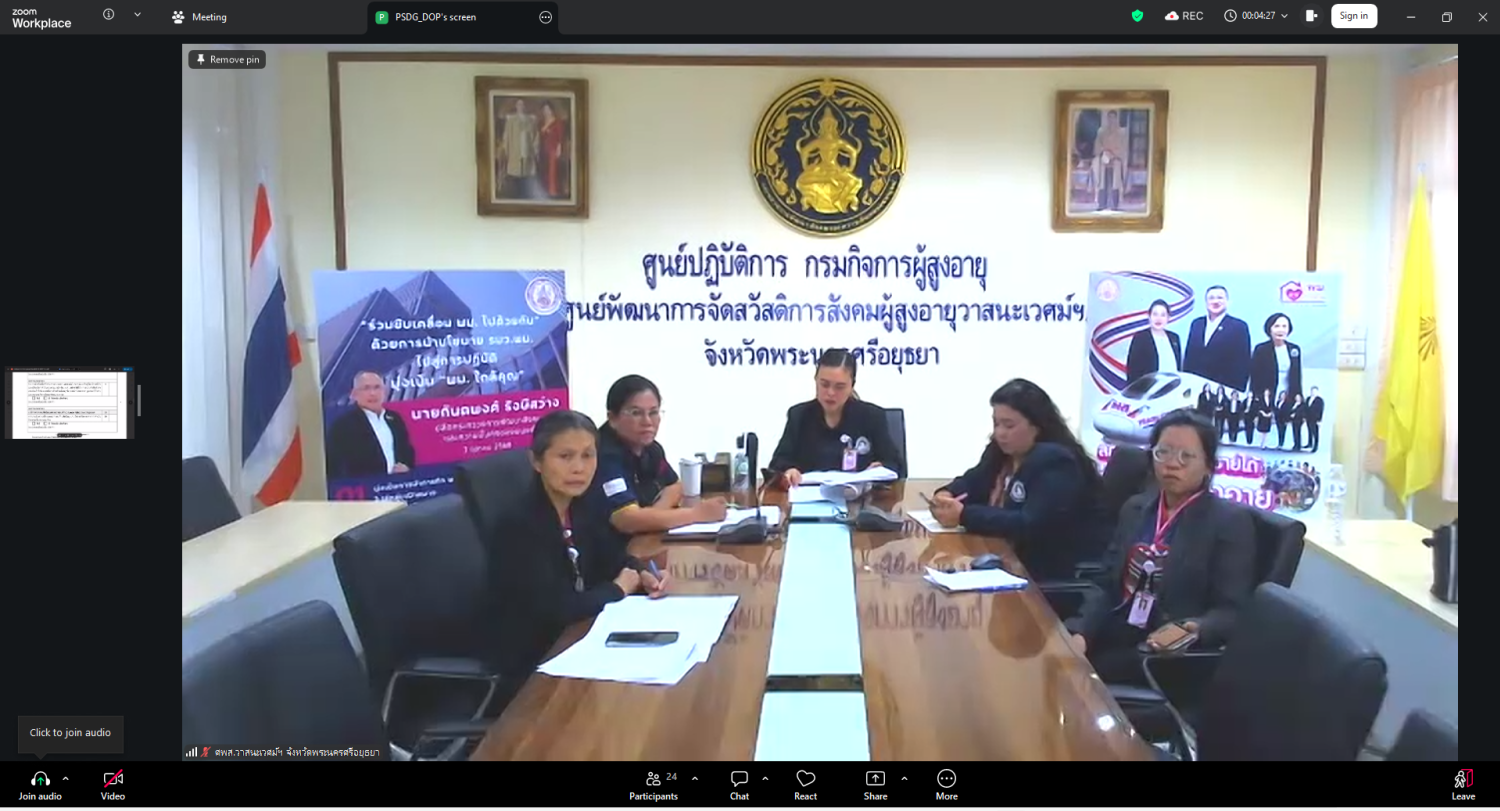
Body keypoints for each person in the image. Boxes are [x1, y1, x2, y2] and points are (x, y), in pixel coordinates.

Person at [1071, 409, 1257, 686]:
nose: (1172, 464)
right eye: (1163, 453)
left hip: (1163, 653)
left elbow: (1232, 611)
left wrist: (1196, 628)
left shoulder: (1228, 522)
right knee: (1054, 653)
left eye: (1186, 456)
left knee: (1076, 679)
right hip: (1116, 628)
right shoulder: (1135, 508)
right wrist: (1082, 632)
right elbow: (1106, 583)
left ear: (1209, 466)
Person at [488, 410, 669, 675]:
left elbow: (613, 558)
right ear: (536, 461)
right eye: (565, 456)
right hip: (534, 662)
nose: (578, 468)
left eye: (588, 455)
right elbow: (555, 609)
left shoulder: (583, 505)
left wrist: (643, 572)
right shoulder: (518, 525)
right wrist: (618, 589)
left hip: (581, 637)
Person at [929, 378, 1110, 580]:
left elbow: (1028, 523)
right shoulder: (1000, 452)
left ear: (1037, 426)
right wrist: (947, 494)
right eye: (996, 423)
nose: (999, 433)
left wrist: (964, 516)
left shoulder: (1057, 462)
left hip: (1049, 573)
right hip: (1008, 559)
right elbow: (973, 481)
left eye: (1009, 425)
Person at [593, 374, 728, 534]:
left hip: (645, 540)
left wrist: (654, 514)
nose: (647, 422)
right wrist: (697, 514)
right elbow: (626, 520)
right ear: (612, 418)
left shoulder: (651, 449)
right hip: (612, 547)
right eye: (636, 413)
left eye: (653, 412)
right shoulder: (602, 455)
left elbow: (676, 486)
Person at [768, 349, 904, 485]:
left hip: (858, 496)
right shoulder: (799, 415)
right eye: (824, 384)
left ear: (852, 385)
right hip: (809, 495)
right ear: (815, 381)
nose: (831, 393)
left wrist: (881, 468)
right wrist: (789, 471)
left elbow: (897, 466)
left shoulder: (872, 417)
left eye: (839, 387)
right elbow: (777, 465)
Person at [325, 371, 415, 479]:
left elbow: (407, 451)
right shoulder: (343, 426)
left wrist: (406, 467)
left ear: (384, 391)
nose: (373, 393)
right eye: (366, 388)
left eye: (377, 387)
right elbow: (335, 466)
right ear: (354, 394)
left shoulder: (394, 419)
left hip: (398, 485)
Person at [1182, 285, 1252, 392]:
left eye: (1220, 298)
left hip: (1224, 389)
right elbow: (1189, 357)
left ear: (1227, 301)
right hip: (1196, 387)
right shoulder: (1197, 323)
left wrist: (1235, 392)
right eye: (1211, 298)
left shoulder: (1238, 326)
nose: (1215, 301)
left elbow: (1243, 363)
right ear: (1206, 302)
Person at [1125, 299, 1182, 384]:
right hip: (1148, 388)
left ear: (1168, 318)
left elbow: (1179, 368)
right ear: (1149, 316)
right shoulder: (1140, 338)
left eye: (1163, 315)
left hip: (1172, 388)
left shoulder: (1174, 338)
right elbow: (1132, 371)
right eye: (1155, 314)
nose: (1158, 319)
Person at [1249, 312, 1303, 402]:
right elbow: (1255, 377)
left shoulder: (1294, 349)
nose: (1281, 330)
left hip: (1288, 394)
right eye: (1276, 326)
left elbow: (1297, 376)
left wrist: (1298, 395)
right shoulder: (1261, 349)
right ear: (1269, 329)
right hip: (1267, 394)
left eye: (1284, 326)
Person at [1303, 386, 1325, 452]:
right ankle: (1310, 443)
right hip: (1308, 418)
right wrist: (1304, 417)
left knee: (1315, 433)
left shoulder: (1320, 400)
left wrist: (1319, 420)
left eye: (1315, 391)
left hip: (1315, 419)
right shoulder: (1308, 398)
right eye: (1312, 391)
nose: (1313, 392)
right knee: (1309, 431)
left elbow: (1321, 410)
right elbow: (1305, 408)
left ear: (1317, 392)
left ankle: (1315, 446)